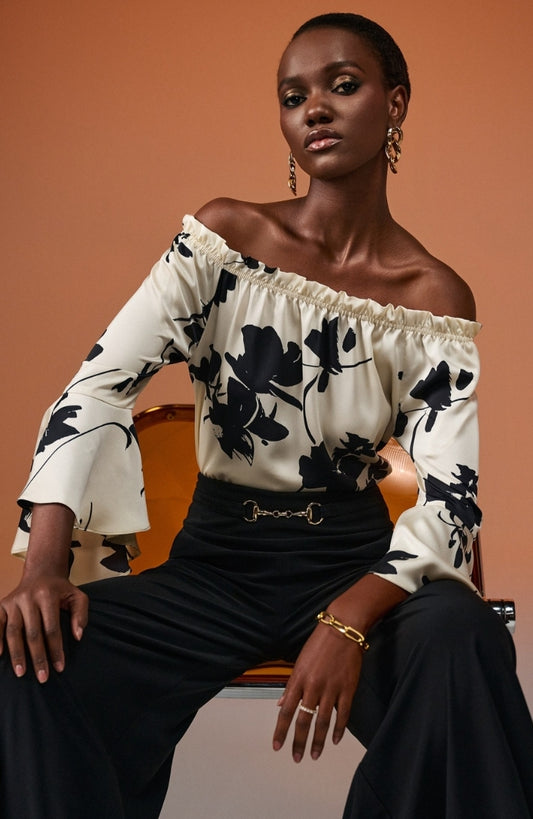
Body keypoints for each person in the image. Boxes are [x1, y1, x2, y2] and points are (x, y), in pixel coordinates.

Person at [1, 11, 532, 819]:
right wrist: (41, 569)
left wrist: (349, 619)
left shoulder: (432, 296)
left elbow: (449, 501)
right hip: (215, 565)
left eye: (341, 86)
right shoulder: (224, 241)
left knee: (461, 634)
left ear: (394, 103)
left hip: (349, 562)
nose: (313, 108)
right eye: (293, 96)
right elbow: (98, 385)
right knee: (30, 656)